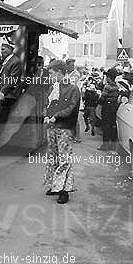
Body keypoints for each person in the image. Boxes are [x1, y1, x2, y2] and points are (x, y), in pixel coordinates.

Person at [42, 60, 80, 205]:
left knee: (64, 159)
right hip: (52, 127)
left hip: (64, 127)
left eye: (51, 73)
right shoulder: (54, 87)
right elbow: (48, 104)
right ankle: (55, 185)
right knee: (53, 156)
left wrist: (55, 116)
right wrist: (46, 114)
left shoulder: (73, 89)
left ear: (59, 72)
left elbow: (71, 108)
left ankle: (64, 191)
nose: (50, 76)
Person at [0, 42, 23, 134]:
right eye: (1, 49)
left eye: (3, 49)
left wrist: (3, 92)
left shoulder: (16, 61)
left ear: (10, 49)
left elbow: (13, 79)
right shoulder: (5, 60)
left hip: (9, 90)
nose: (1, 51)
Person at [98, 68, 121, 151]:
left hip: (107, 107)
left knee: (105, 126)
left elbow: (102, 98)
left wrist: (99, 99)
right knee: (112, 126)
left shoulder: (107, 87)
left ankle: (105, 145)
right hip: (114, 107)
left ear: (109, 77)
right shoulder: (116, 86)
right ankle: (113, 145)